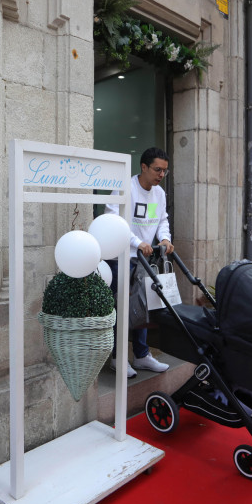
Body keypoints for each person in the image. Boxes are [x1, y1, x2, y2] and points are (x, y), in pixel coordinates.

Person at [104, 147, 173, 377]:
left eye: (164, 170)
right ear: (143, 167)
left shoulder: (159, 194)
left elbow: (162, 219)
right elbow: (112, 220)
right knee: (120, 310)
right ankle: (117, 358)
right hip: (121, 258)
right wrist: (136, 242)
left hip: (145, 260)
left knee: (144, 308)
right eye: (157, 169)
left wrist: (165, 238)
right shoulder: (125, 188)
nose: (161, 174)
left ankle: (142, 355)